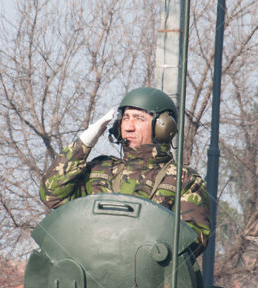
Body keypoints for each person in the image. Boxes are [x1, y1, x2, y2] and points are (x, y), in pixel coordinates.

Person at [39, 87, 211, 255]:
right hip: (91, 273)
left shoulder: (183, 180)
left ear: (163, 127)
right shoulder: (100, 170)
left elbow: (193, 242)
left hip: (147, 277)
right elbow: (52, 195)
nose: (128, 127)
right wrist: (86, 141)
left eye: (138, 118)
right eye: (126, 118)